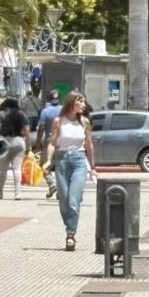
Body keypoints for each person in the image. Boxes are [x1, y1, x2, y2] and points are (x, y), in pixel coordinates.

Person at [46, 92, 96, 251]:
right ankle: (70, 222)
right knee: (64, 201)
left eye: (84, 102)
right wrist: (48, 159)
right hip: (62, 161)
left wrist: (92, 166)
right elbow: (53, 142)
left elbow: (89, 144)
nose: (83, 105)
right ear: (72, 103)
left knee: (73, 201)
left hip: (79, 161)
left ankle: (70, 235)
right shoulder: (58, 121)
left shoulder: (85, 122)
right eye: (80, 102)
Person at [0, 98, 31, 201]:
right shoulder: (22, 115)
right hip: (18, 141)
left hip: (4, 142)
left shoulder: (1, 114)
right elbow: (27, 131)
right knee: (17, 169)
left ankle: (0, 191)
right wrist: (29, 146)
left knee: (3, 170)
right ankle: (17, 193)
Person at [34, 90, 63, 198]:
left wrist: (37, 143)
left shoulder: (45, 112)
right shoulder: (65, 110)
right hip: (63, 144)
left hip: (49, 143)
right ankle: (60, 191)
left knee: (44, 166)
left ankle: (52, 184)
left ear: (48, 99)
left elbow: (41, 128)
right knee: (61, 168)